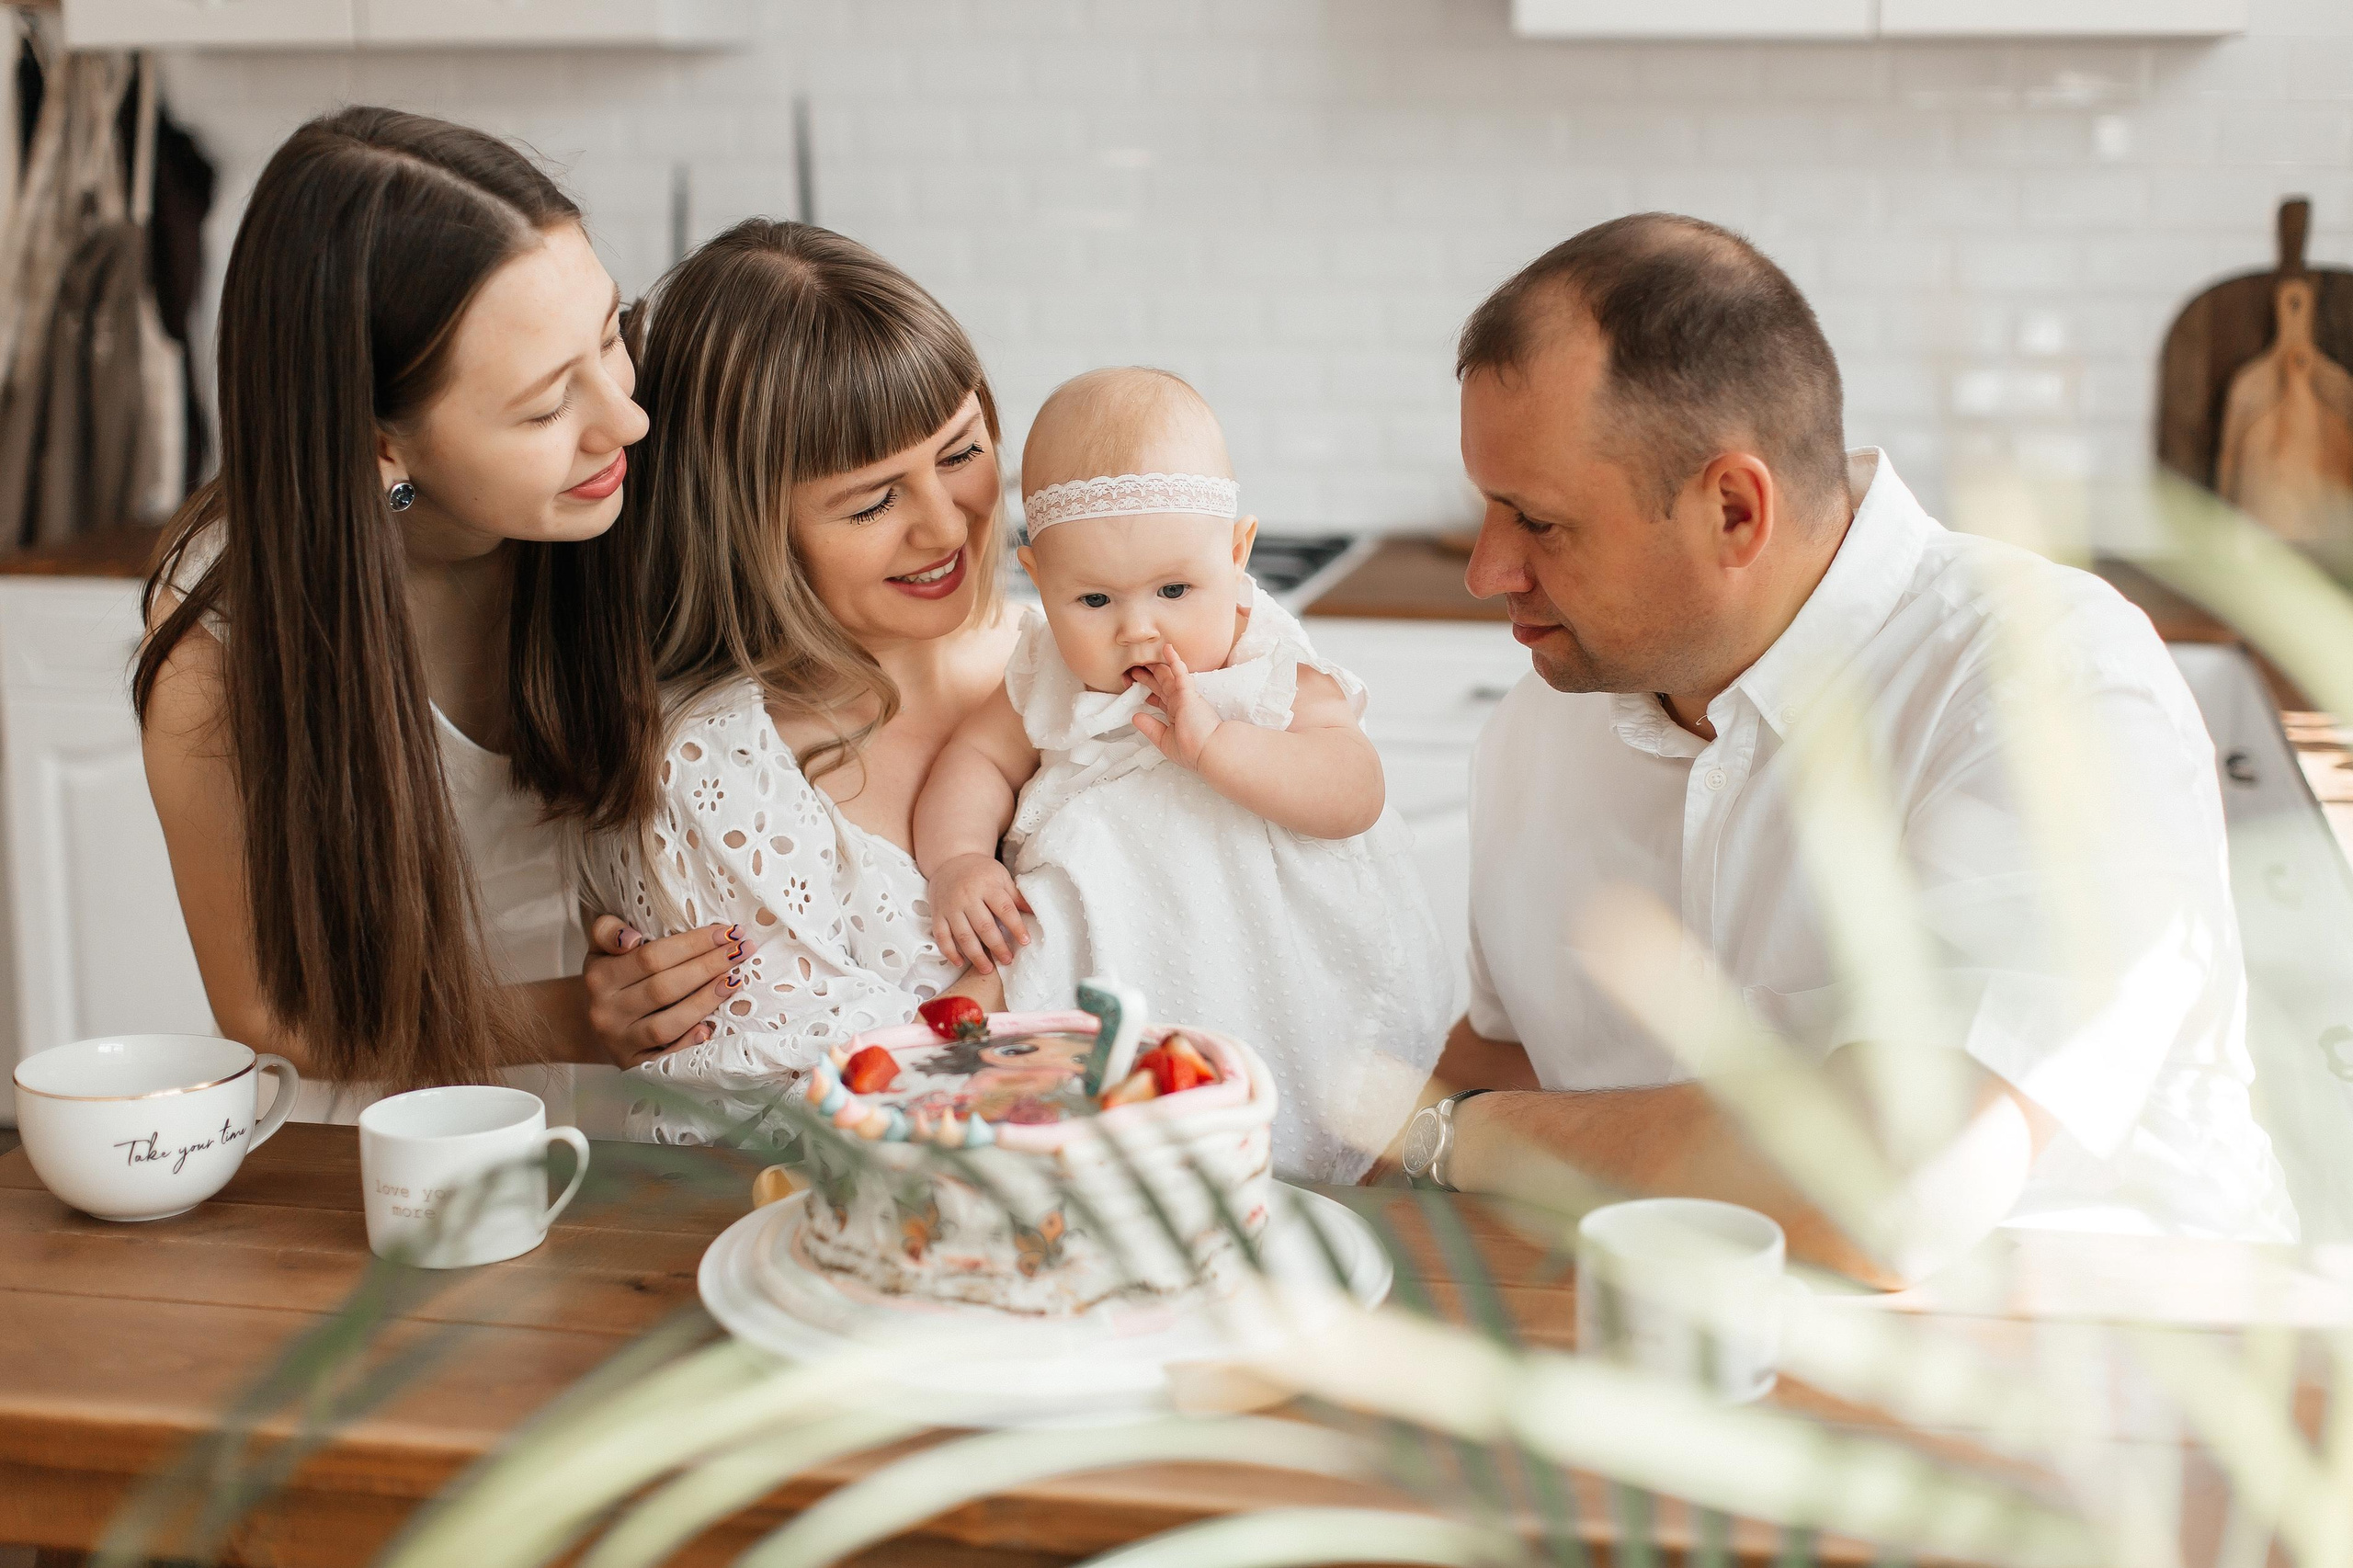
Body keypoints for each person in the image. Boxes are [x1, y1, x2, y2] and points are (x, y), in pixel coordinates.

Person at [1394, 212, 2295, 1284]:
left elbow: (1884, 1189)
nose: (1485, 569)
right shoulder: (1540, 726)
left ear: (1733, 508)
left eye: (1537, 521)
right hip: (1671, 1337)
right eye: (1483, 507)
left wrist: (1456, 1136)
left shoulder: (2049, 684)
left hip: (2107, 1370)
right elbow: (1501, 1062)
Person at [137, 108, 736, 1125]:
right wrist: (573, 1021)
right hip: (381, 1152)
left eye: (610, 336)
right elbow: (270, 1010)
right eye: (547, 407)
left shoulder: (623, 488)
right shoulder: (220, 644)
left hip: (642, 1134)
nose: (626, 417)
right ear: (380, 447)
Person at [914, 366, 1451, 1180]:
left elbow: (1355, 793)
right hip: (1116, 937)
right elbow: (977, 760)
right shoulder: (1046, 670)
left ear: (1237, 554)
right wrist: (958, 858)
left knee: (1314, 1097)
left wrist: (1219, 749)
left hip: (1268, 939)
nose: (1139, 628)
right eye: (1093, 600)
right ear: (1041, 575)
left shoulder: (1265, 664)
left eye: (1174, 588)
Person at [570, 221, 1021, 1144]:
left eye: (961, 450)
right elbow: (795, 1118)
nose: (944, 526)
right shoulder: (711, 774)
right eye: (873, 499)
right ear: (747, 529)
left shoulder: (1073, 654)